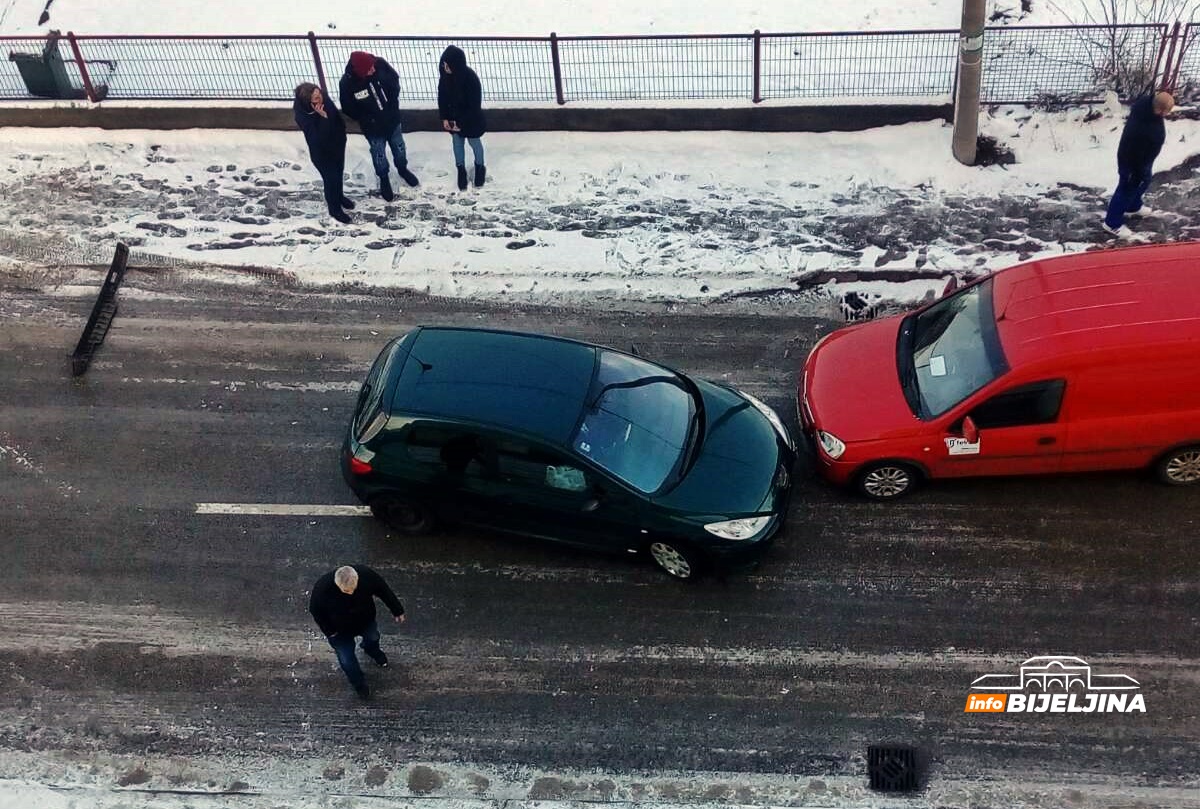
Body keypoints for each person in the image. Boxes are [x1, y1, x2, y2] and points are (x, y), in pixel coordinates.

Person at [308, 564, 406, 699]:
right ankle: (359, 684)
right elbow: (316, 611)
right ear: (337, 584)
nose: (350, 593)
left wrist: (397, 610)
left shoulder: (366, 575)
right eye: (346, 591)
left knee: (373, 637)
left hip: (365, 621)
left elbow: (383, 590)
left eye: (353, 589)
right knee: (347, 661)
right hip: (339, 632)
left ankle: (372, 650)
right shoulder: (322, 589)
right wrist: (330, 632)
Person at [339, 50, 419, 202]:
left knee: (399, 147)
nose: (373, 69)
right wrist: (367, 118)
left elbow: (394, 80)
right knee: (378, 153)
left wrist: (392, 104)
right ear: (360, 71)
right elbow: (348, 108)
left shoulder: (379, 64)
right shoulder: (348, 83)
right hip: (373, 128)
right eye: (369, 69)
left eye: (373, 66)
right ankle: (383, 178)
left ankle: (403, 169)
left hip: (392, 120)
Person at [1103, 90, 1174, 238]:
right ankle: (1112, 223)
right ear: (1160, 110)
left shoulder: (1147, 107)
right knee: (1126, 188)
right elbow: (1134, 152)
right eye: (1166, 112)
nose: (1166, 115)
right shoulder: (1141, 128)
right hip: (1132, 163)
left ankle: (1133, 206)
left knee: (1145, 180)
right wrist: (1136, 172)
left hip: (1143, 160)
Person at [293, 82, 354, 224]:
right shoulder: (302, 116)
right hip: (322, 154)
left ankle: (339, 196)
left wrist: (341, 134)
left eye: (319, 94)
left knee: (339, 173)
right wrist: (323, 118)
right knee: (330, 179)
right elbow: (316, 138)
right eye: (315, 98)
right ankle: (334, 209)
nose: (320, 98)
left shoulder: (323, 99)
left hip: (337, 146)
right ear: (308, 101)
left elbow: (337, 119)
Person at [437, 45, 487, 191]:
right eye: (443, 64)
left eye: (448, 64)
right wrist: (445, 118)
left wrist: (462, 123)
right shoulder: (445, 78)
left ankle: (480, 167)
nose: (445, 67)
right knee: (457, 144)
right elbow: (442, 98)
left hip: (470, 121)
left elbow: (474, 106)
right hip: (453, 119)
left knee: (475, 143)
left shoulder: (471, 79)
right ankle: (461, 170)